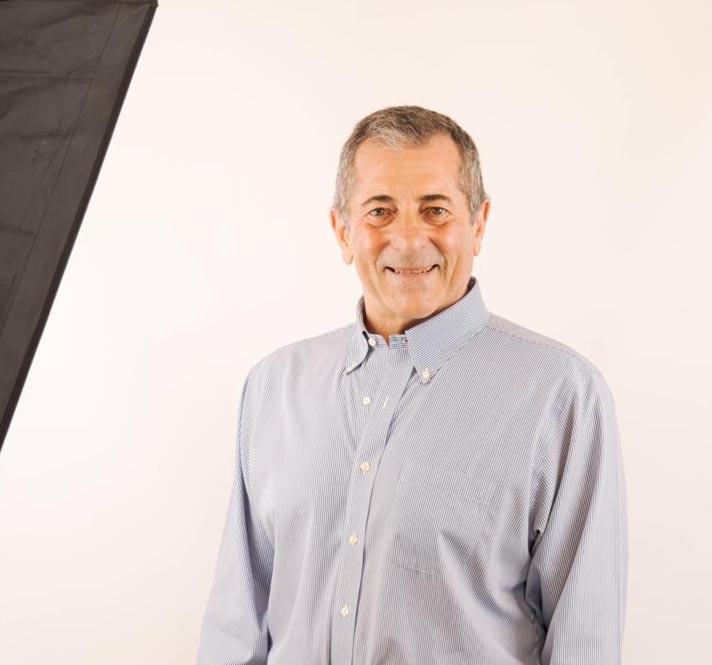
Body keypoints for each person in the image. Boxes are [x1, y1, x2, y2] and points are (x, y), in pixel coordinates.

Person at [196, 105, 628, 665]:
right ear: (342, 231)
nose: (407, 238)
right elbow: (238, 620)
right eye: (379, 211)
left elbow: (584, 642)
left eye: (435, 210)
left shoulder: (560, 395)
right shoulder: (274, 387)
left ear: (479, 223)